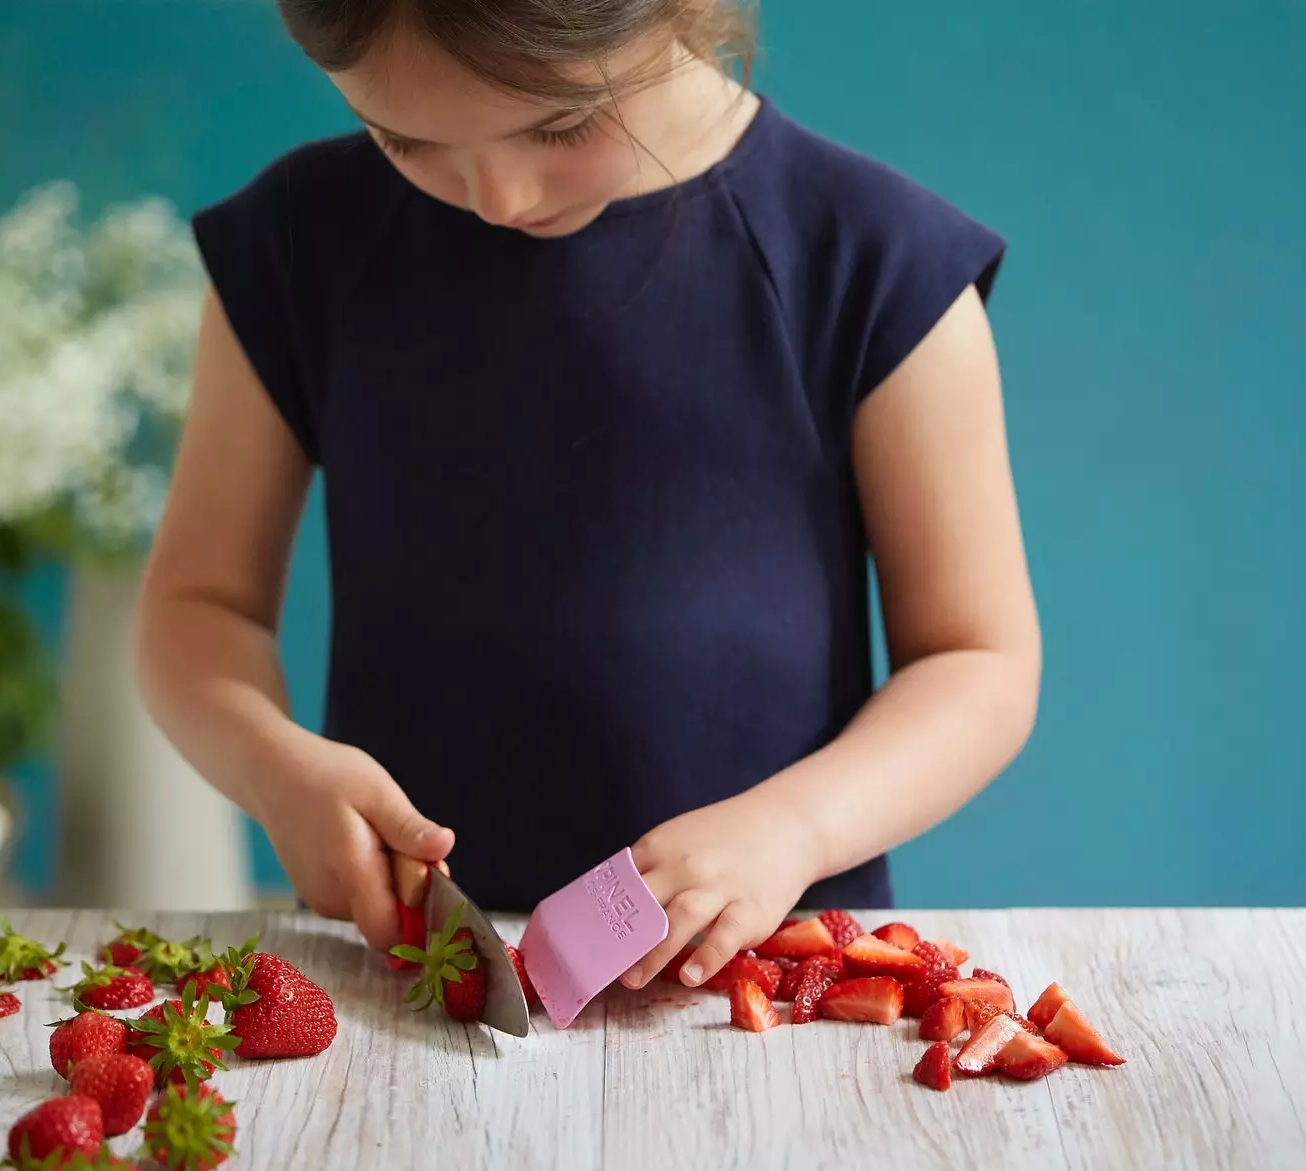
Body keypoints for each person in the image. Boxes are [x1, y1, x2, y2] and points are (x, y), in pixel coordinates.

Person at [135, 0, 1041, 992]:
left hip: (765, 985)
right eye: (403, 137)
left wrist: (794, 825)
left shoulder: (868, 256)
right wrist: (272, 768)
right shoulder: (294, 244)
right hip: (403, 990)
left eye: (560, 126)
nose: (498, 196)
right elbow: (198, 607)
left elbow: (976, 661)